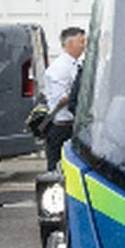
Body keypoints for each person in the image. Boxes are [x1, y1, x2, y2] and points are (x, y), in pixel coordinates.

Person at [43, 26, 86, 169]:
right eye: (81, 42)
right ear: (70, 44)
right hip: (61, 126)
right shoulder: (60, 68)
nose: (84, 45)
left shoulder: (75, 64)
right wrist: (81, 93)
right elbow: (59, 99)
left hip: (72, 124)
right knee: (57, 167)